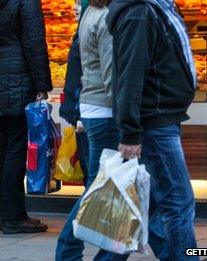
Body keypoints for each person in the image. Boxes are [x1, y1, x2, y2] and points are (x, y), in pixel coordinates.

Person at [106, 0, 198, 259]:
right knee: (178, 202)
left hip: (161, 119)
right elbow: (130, 75)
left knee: (153, 205)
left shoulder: (157, 8)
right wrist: (130, 132)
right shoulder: (140, 13)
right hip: (155, 122)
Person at [0, 0, 52, 234]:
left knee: (6, 142)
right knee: (16, 146)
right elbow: (34, 41)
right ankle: (12, 217)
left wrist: (1, 45)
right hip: (20, 76)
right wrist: (42, 83)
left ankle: (6, 211)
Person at [55, 0, 121, 259]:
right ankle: (68, 249)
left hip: (96, 108)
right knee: (98, 184)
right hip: (105, 110)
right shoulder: (104, 16)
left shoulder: (90, 12)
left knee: (105, 183)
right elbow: (110, 74)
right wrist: (128, 118)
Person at [58, 0, 89, 186]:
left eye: (78, 3)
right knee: (89, 171)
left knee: (92, 174)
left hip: (86, 114)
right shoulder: (81, 31)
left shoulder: (88, 33)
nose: (73, 8)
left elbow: (89, 77)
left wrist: (81, 114)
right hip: (82, 112)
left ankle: (88, 215)